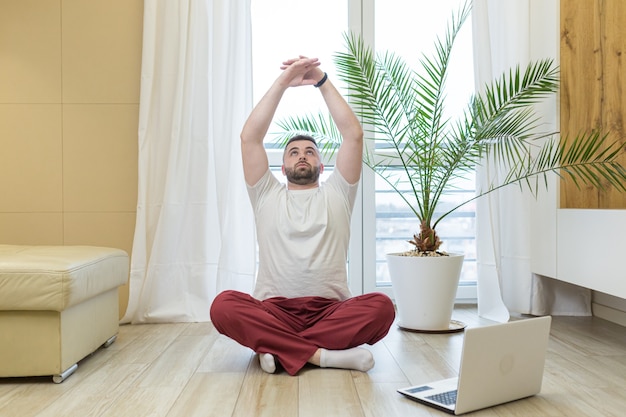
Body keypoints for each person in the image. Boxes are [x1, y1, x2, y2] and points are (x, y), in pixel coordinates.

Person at [209, 56, 395, 376]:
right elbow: (249, 138)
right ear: (282, 168)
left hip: (330, 311)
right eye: (294, 153)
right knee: (222, 306)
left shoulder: (338, 193)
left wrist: (319, 79)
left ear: (322, 166)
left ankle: (275, 349)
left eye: (310, 152)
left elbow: (353, 135)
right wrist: (284, 82)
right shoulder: (266, 194)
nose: (302, 156)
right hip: (273, 310)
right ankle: (323, 356)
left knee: (382, 308)